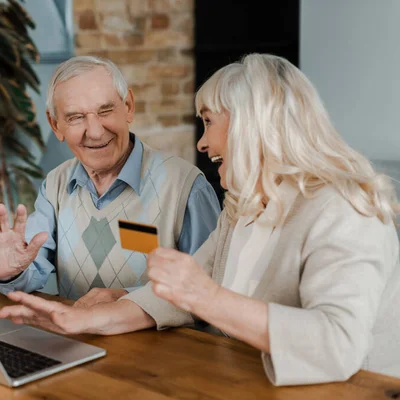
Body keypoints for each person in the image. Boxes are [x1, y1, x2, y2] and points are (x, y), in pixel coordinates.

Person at [140, 54, 400, 385]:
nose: (201, 143)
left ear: (251, 123)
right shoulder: (240, 207)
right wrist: (90, 318)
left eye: (208, 122)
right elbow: (186, 293)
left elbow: (338, 344)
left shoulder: (345, 210)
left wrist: (204, 296)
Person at [0, 55, 221, 318]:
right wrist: (10, 273)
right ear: (55, 125)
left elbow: (213, 293)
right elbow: (30, 267)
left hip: (164, 353)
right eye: (75, 117)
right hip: (78, 343)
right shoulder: (55, 185)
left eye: (105, 111)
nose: (94, 131)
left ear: (128, 106)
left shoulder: (186, 187)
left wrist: (129, 299)